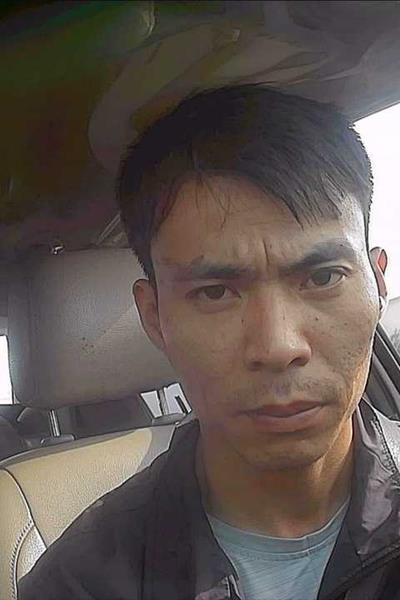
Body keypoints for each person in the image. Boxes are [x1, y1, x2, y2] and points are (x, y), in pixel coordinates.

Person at [18, 85, 400, 600]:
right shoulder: (79, 584)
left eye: (323, 277)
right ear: (154, 317)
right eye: (216, 292)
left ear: (378, 283)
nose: (278, 345)